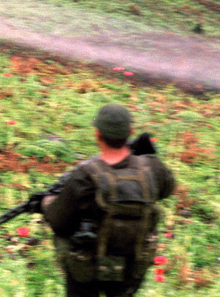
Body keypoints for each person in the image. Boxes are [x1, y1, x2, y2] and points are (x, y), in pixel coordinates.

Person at [41, 104, 175, 297]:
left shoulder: (84, 176)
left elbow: (59, 224)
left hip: (87, 271)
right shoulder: (152, 168)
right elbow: (168, 189)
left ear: (97, 135)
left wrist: (46, 202)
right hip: (132, 268)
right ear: (130, 132)